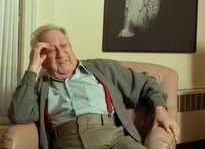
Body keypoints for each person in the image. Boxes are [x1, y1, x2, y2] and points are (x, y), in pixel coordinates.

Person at [8, 24, 180, 149]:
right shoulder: (38, 87)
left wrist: (160, 110)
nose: (61, 54)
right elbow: (19, 115)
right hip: (67, 143)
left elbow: (147, 84)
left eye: (63, 45)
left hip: (114, 140)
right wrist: (32, 69)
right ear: (42, 58)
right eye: (51, 50)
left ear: (71, 47)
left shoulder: (103, 69)